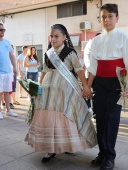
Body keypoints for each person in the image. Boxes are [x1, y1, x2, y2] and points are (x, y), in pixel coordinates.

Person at [25, 24, 97, 163]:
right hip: (48, 93)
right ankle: (50, 149)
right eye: (51, 36)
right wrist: (38, 86)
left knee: (66, 117)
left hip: (65, 91)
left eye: (56, 36)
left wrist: (86, 87)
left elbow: (79, 70)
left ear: (64, 37)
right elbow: (45, 71)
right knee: (49, 119)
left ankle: (67, 144)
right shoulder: (48, 53)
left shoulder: (70, 52)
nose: (53, 39)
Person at [87, 4, 128, 170]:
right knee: (99, 118)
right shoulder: (96, 40)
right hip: (99, 83)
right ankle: (102, 152)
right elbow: (92, 67)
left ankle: (110, 156)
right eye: (103, 17)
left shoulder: (124, 37)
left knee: (112, 119)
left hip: (116, 84)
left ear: (117, 18)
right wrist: (87, 86)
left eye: (110, 16)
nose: (106, 20)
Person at [0, 23, 18, 119]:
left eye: (3, 30)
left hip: (8, 71)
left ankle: (8, 110)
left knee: (8, 91)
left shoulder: (7, 42)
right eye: (0, 29)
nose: (2, 31)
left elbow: (11, 55)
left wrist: (15, 68)